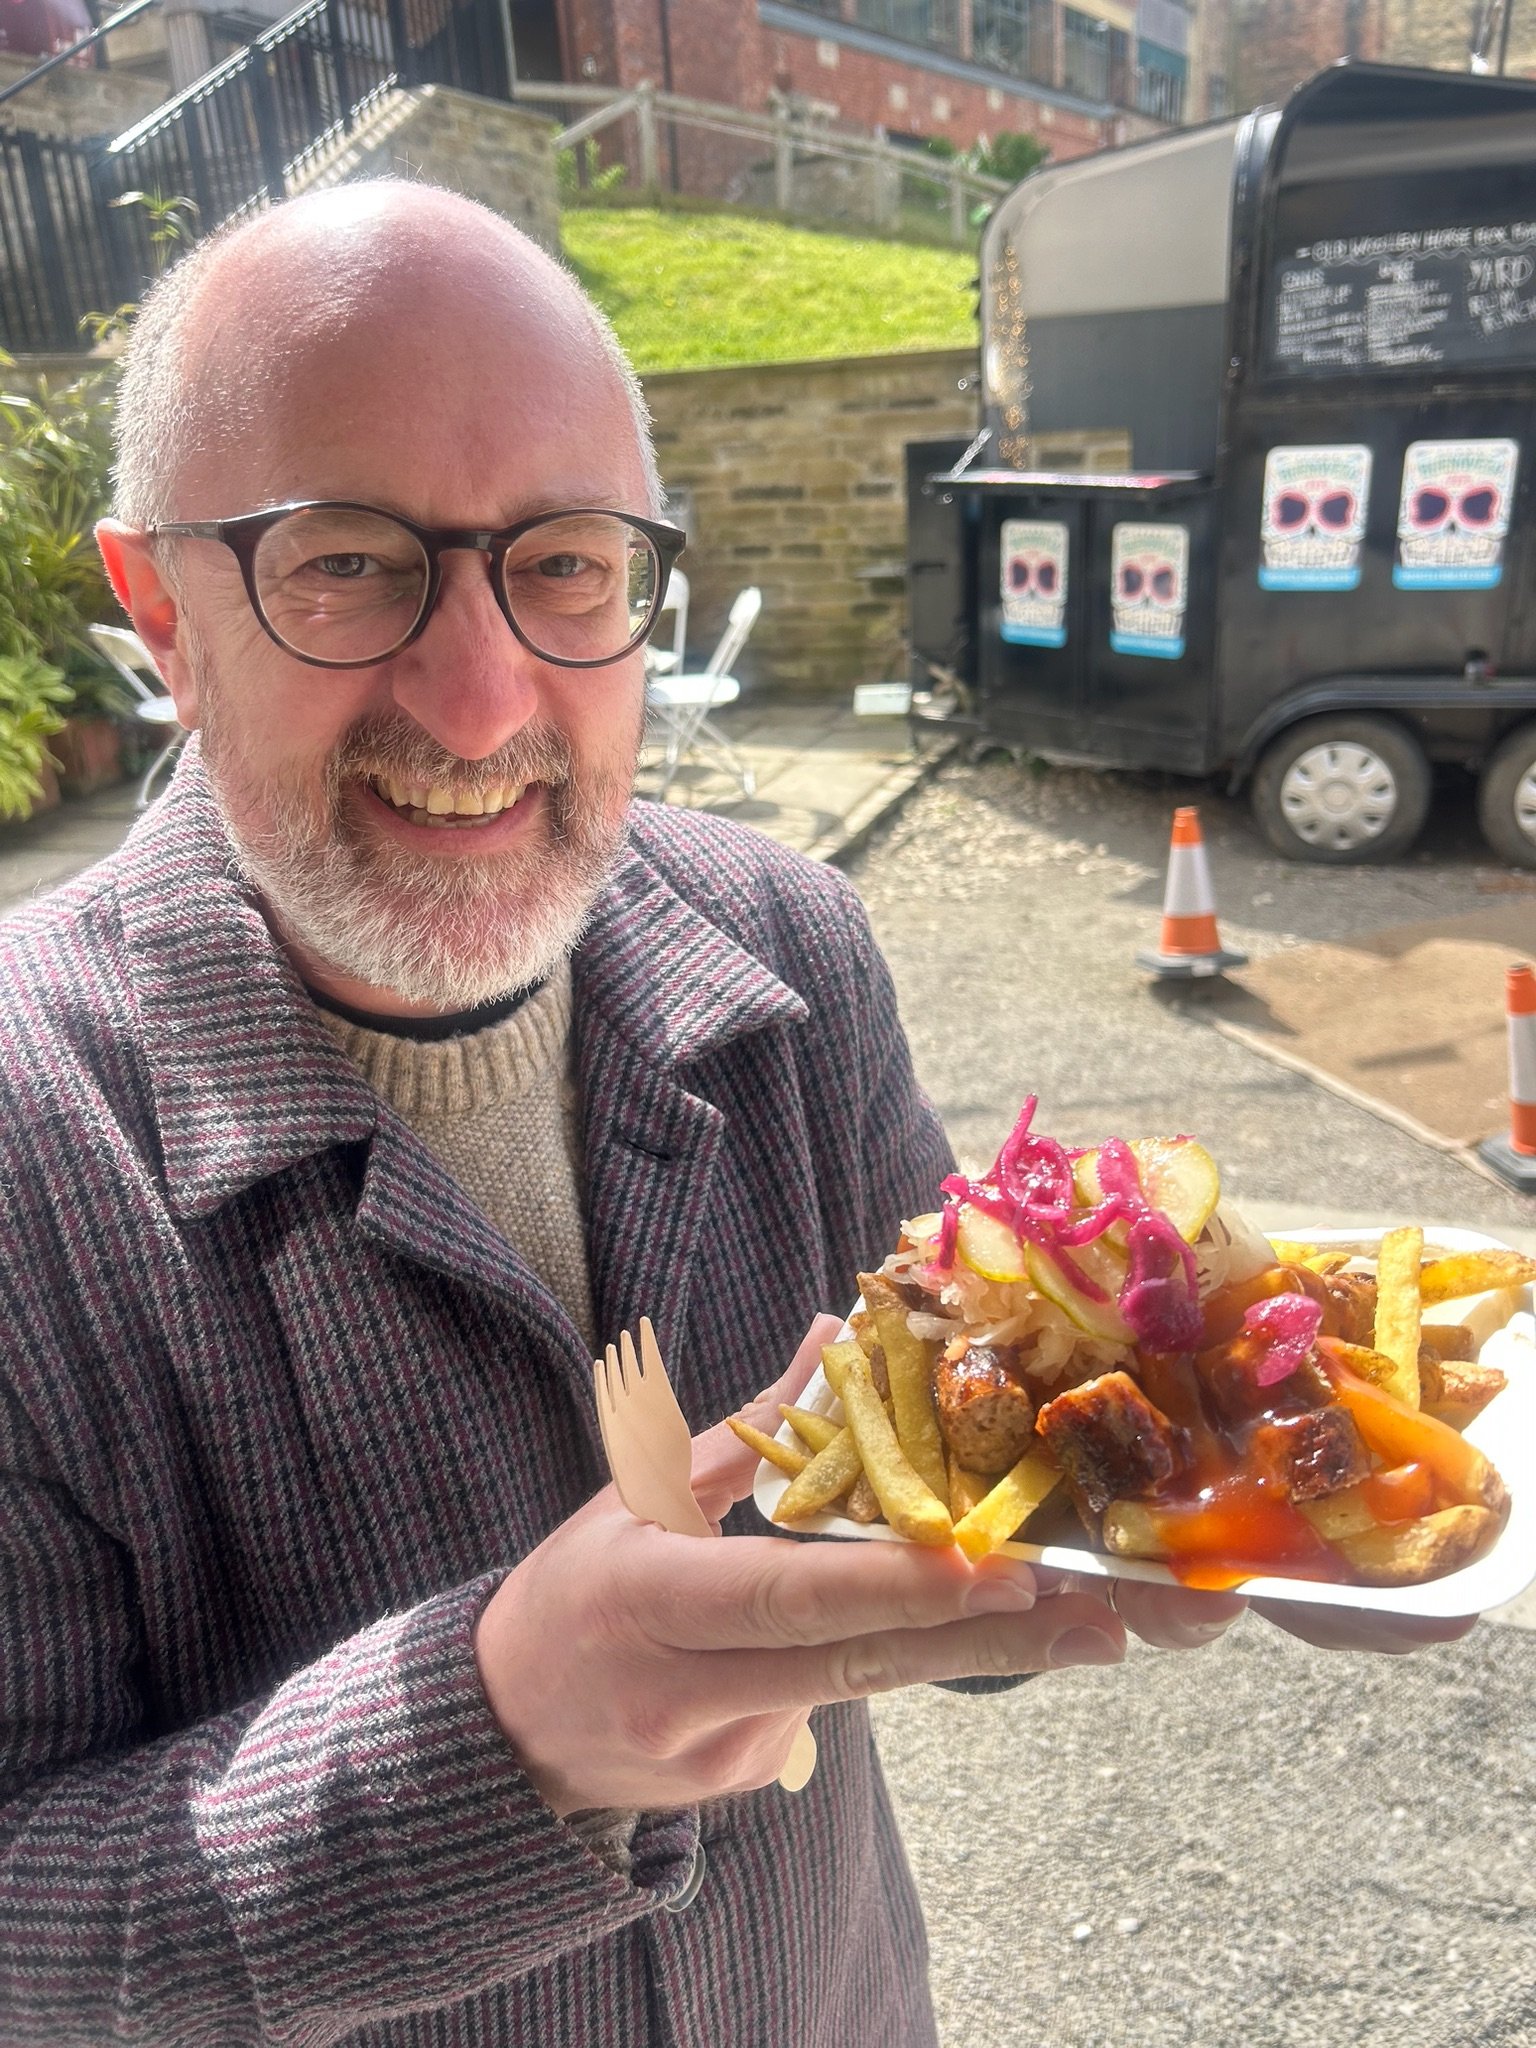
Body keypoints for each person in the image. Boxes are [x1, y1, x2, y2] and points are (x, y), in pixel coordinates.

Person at [0, 183, 1468, 2046]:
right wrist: (500, 1734)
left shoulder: (790, 951)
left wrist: (1235, 1505)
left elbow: (963, 1467)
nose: (476, 704)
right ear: (158, 612)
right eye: (346, 562)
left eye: (568, 563)